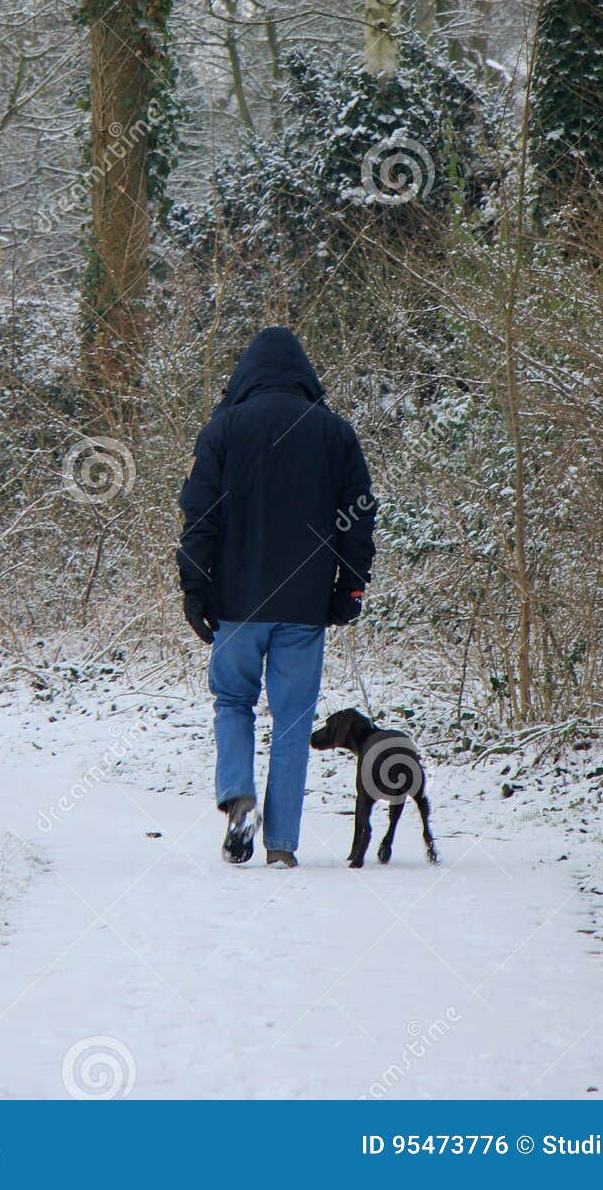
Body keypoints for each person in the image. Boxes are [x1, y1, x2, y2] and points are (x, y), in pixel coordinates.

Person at [176, 327, 377, 868]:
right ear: (304, 376)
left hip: (235, 605)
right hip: (303, 609)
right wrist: (349, 585)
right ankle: (281, 845)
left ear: (245, 375)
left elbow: (200, 518)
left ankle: (238, 796)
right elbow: (359, 517)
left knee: (233, 703)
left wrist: (195, 587)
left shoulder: (222, 429)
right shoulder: (335, 433)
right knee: (292, 722)